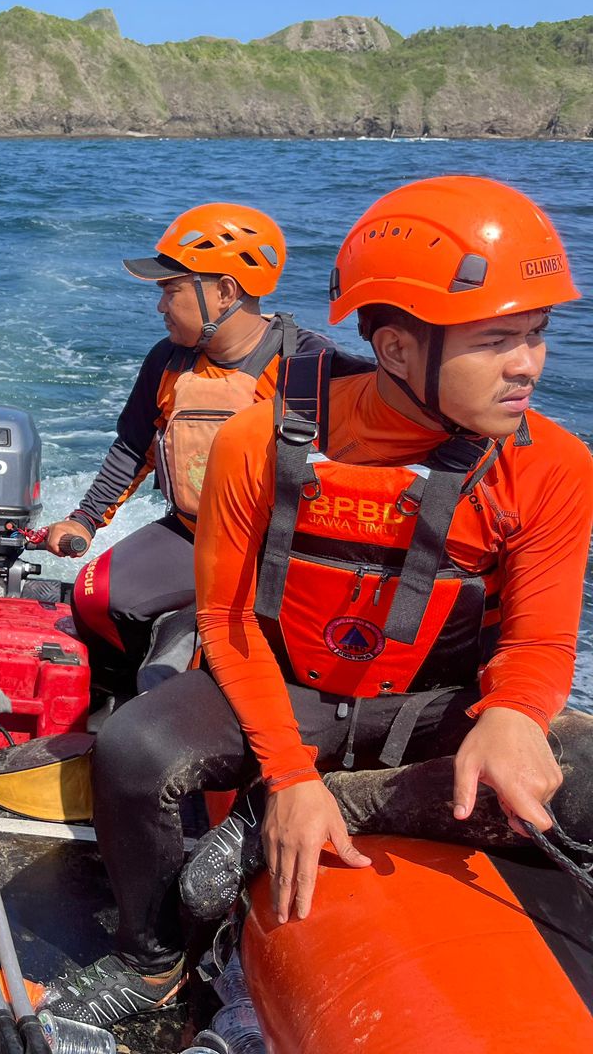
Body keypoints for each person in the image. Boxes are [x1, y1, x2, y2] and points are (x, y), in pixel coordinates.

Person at [43, 176, 593, 1028]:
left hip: (434, 705)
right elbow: (225, 622)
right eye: (497, 341)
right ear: (401, 349)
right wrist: (291, 771)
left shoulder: (555, 467)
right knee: (134, 746)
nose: (529, 365)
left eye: (535, 334)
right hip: (294, 688)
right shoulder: (259, 441)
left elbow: (541, 640)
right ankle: (151, 964)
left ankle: (352, 798)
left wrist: (517, 711)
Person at [44, 203, 362, 693]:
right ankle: (123, 700)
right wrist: (84, 518)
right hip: (193, 532)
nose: (160, 305)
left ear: (225, 291)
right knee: (93, 597)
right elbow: (133, 446)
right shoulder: (169, 359)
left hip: (278, 552)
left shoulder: (314, 367)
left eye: (171, 290)